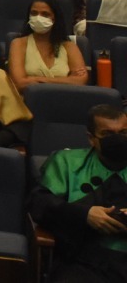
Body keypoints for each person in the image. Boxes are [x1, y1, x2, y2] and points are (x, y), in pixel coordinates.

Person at [31, 104, 127, 283]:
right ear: (91, 138)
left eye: (123, 133)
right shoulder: (67, 162)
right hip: (82, 260)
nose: (117, 139)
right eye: (107, 134)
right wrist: (85, 214)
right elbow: (39, 203)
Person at [7, 0, 89, 92]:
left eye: (45, 14)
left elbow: (80, 81)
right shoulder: (18, 44)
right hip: (28, 99)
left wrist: (36, 79)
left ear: (55, 18)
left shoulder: (69, 46)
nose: (38, 18)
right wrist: (67, 80)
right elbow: (19, 83)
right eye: (34, 13)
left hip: (64, 99)